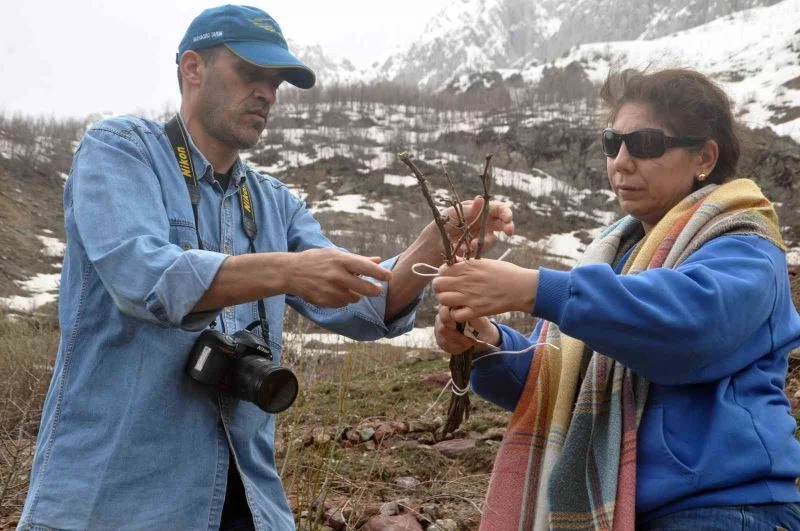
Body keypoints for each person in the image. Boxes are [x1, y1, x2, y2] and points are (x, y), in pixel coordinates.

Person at [17, 5, 513, 531]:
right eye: (250, 73)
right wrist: (287, 271)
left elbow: (368, 305)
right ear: (192, 69)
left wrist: (434, 242)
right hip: (111, 501)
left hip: (250, 503)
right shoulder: (120, 150)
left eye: (275, 82)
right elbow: (145, 278)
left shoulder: (275, 204)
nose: (267, 94)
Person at [432, 67, 800, 530]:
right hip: (629, 510)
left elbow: (687, 329)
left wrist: (532, 289)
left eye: (644, 144)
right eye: (613, 143)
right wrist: (487, 344)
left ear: (704, 156)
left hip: (726, 509)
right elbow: (562, 382)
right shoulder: (615, 255)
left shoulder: (745, 245)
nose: (621, 162)